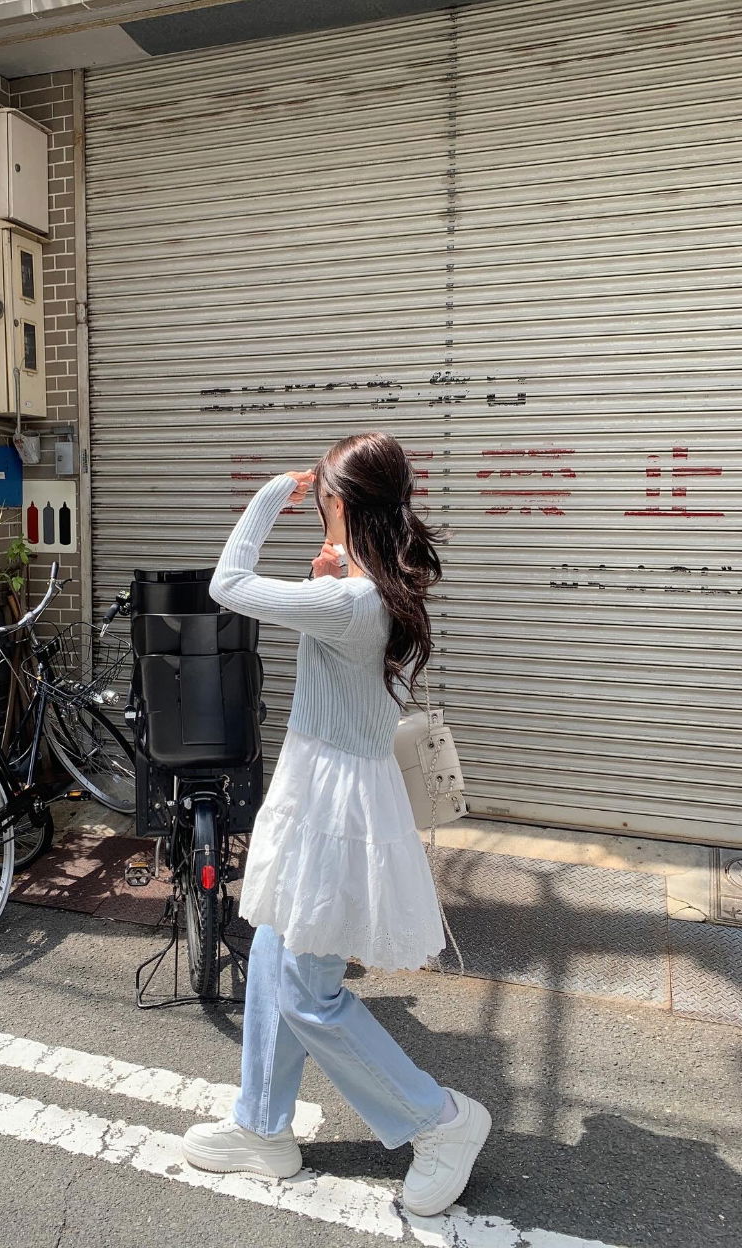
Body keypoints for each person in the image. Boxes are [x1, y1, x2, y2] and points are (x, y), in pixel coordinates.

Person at [181, 431, 491, 1217]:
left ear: (340, 503)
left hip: (331, 808)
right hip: (329, 794)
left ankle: (440, 1121)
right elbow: (339, 644)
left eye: (321, 494)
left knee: (307, 992)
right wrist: (324, 570)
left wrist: (267, 498)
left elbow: (227, 584)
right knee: (275, 957)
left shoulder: (352, 602)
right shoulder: (371, 587)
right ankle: (262, 1126)